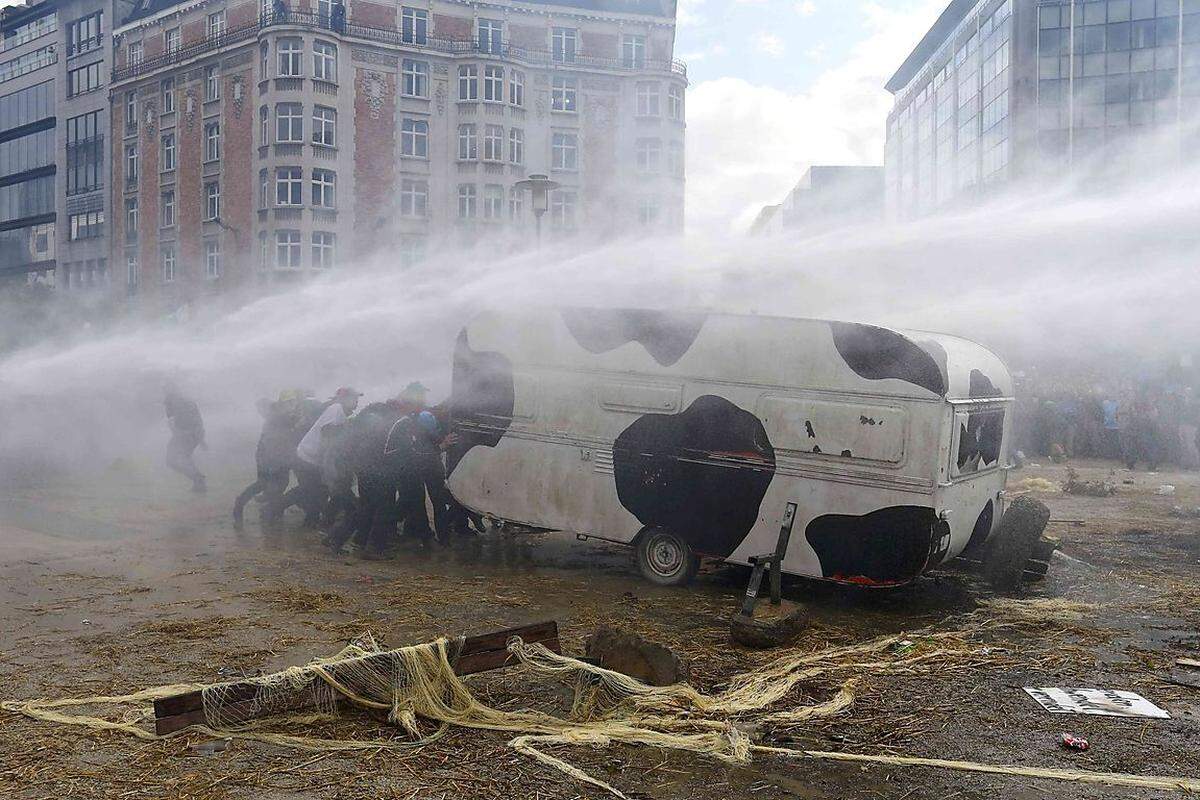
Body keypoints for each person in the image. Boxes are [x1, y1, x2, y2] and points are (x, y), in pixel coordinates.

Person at [286, 387, 360, 528]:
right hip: (307, 457)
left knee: (314, 490)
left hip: (313, 457)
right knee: (313, 491)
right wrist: (329, 465)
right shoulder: (336, 409)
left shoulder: (342, 412)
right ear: (344, 399)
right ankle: (276, 511)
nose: (356, 402)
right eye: (354, 399)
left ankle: (311, 521)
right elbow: (327, 434)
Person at [233, 391, 302, 531]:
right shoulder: (279, 416)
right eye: (290, 402)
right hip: (270, 457)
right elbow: (280, 434)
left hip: (276, 456)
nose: (292, 405)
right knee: (266, 484)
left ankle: (269, 510)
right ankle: (244, 504)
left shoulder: (278, 415)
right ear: (283, 404)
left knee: (275, 484)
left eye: (293, 402)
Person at [164, 384, 207, 493]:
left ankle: (198, 479)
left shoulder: (170, 400)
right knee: (184, 457)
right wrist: (201, 439)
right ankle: (198, 480)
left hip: (184, 435)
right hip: (195, 434)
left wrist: (177, 434)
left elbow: (171, 421)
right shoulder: (189, 401)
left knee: (171, 460)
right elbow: (199, 420)